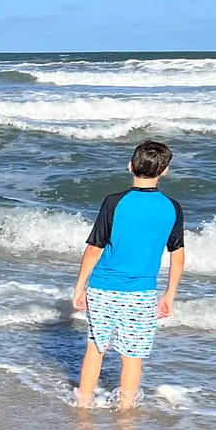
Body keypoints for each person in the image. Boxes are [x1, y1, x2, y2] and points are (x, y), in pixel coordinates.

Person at [71, 140, 185, 409]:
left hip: (103, 289)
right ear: (165, 170)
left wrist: (79, 286)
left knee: (96, 349)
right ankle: (125, 410)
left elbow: (94, 247)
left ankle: (83, 406)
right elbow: (177, 254)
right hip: (142, 294)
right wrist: (170, 293)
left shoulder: (114, 202)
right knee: (132, 356)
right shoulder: (172, 207)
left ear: (130, 166)